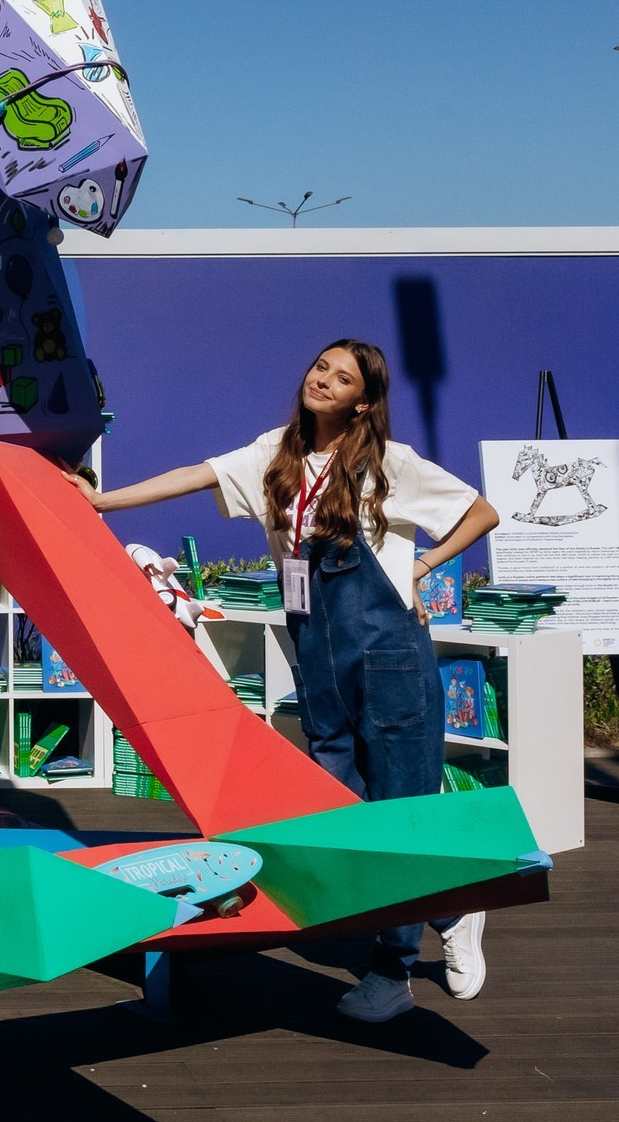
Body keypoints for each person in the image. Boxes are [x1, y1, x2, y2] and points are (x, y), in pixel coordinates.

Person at [80, 339, 500, 1021]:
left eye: (343, 378)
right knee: (337, 802)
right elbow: (194, 475)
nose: (324, 380)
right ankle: (449, 908)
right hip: (317, 647)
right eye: (321, 367)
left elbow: (481, 512)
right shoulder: (275, 453)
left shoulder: (388, 463)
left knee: (402, 808)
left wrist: (421, 569)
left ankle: (392, 972)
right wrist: (102, 502)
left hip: (388, 651)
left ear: (363, 401)